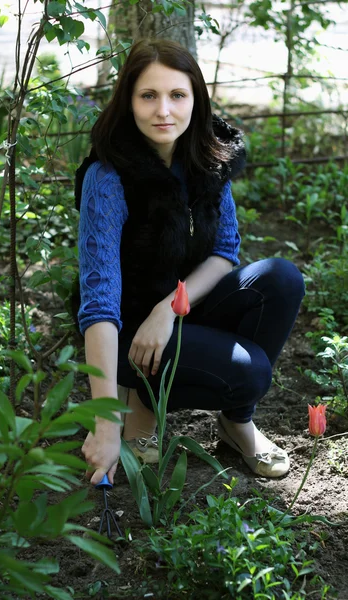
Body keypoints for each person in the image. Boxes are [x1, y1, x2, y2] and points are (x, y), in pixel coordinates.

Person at [75, 39, 305, 487]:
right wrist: (103, 423)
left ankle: (236, 424)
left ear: (195, 100)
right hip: (126, 333)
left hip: (175, 312)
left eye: (177, 95)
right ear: (129, 102)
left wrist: (168, 309)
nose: (164, 110)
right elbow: (98, 303)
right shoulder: (108, 178)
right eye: (148, 95)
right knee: (250, 372)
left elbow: (225, 252)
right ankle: (137, 398)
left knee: (281, 278)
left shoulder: (207, 157)